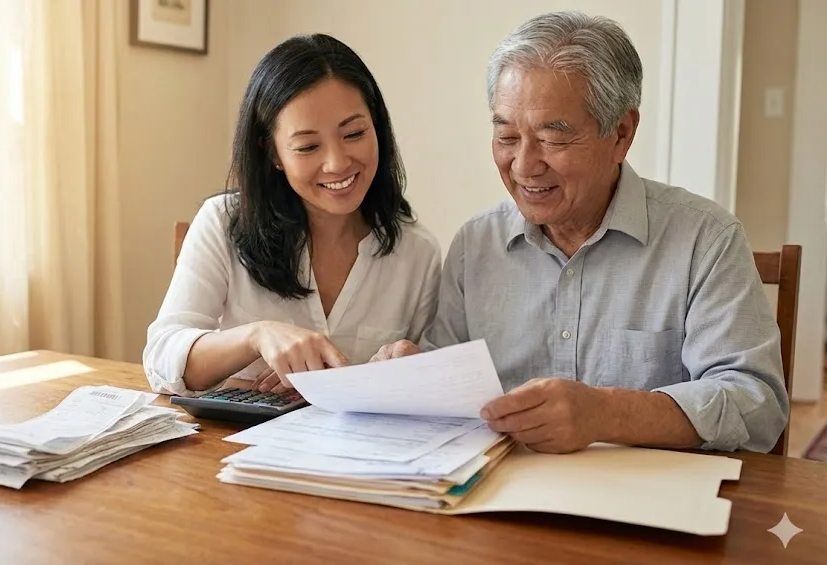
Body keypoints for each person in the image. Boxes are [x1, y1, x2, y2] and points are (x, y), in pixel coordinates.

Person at [373, 11, 788, 454]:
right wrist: (412, 376)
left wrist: (607, 413)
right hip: (504, 487)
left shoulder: (706, 239)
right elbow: (448, 387)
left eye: (553, 139)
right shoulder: (475, 245)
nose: (524, 166)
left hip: (645, 489)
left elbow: (756, 405)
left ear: (621, 133)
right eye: (507, 137)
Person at [144, 33, 441, 397]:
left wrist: (406, 369)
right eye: (308, 146)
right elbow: (162, 359)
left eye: (354, 133)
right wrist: (258, 336)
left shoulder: (417, 252)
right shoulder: (222, 223)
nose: (337, 163)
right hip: (234, 434)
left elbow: (429, 385)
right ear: (273, 154)